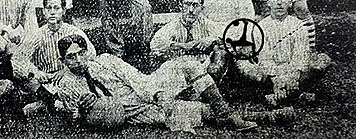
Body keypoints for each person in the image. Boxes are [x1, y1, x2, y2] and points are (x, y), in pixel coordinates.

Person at [56, 34, 257, 132]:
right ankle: (272, 115)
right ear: (63, 61)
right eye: (71, 57)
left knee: (189, 65)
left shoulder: (106, 60)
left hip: (148, 87)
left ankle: (227, 116)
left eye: (81, 54)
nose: (78, 60)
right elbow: (74, 119)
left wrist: (157, 94)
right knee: (201, 112)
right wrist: (83, 111)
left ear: (87, 52)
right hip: (133, 112)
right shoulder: (67, 84)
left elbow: (135, 77)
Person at [235, 0, 331, 107]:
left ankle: (281, 94)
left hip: (293, 72)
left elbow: (300, 56)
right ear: (268, 2)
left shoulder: (299, 25)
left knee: (322, 61)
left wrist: (293, 76)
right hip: (270, 74)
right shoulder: (262, 26)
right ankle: (293, 94)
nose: (279, 3)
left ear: (290, 3)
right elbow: (265, 59)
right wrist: (275, 79)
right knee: (245, 66)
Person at [11, 0, 96, 114]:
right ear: (43, 11)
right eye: (48, 8)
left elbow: (92, 54)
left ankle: (46, 104)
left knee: (75, 87)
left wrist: (66, 70)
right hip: (45, 80)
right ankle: (51, 103)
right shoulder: (37, 34)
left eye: (56, 8)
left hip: (68, 76)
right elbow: (18, 59)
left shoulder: (73, 31)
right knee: (30, 82)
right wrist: (35, 73)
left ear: (64, 10)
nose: (52, 12)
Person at [149, 0, 226, 80]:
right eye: (187, 4)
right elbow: (155, 43)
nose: (191, 10)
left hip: (204, 68)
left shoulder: (206, 24)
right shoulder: (173, 26)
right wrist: (182, 45)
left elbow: (228, 37)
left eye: (195, 5)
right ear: (180, 6)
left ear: (201, 8)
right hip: (180, 71)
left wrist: (212, 39)